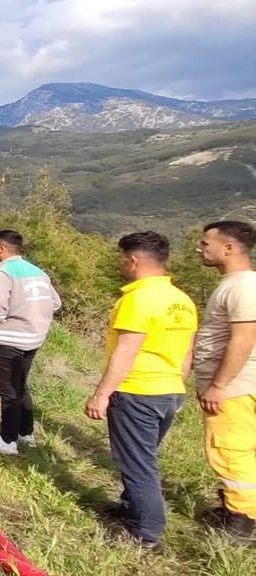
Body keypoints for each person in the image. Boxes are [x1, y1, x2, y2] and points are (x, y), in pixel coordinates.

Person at [84, 231, 196, 549]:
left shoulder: (137, 299)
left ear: (133, 261)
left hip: (137, 392)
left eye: (122, 259)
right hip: (169, 390)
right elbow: (187, 352)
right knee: (142, 456)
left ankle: (145, 534)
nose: (120, 264)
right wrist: (177, 388)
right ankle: (131, 509)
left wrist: (102, 394)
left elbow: (126, 351)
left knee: (137, 463)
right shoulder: (182, 300)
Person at [192, 220, 256, 541]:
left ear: (228, 248)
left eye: (206, 243)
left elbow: (242, 340)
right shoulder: (235, 284)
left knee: (231, 451)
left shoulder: (243, 287)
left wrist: (218, 385)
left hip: (236, 388)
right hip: (240, 385)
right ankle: (237, 506)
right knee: (243, 451)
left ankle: (243, 522)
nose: (199, 248)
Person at [0, 230, 62, 455]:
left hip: (8, 340)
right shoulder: (38, 272)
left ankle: (7, 441)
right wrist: (34, 318)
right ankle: (26, 433)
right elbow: (55, 303)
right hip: (33, 340)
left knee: (8, 391)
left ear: (2, 248)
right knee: (21, 385)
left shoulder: (2, 271)